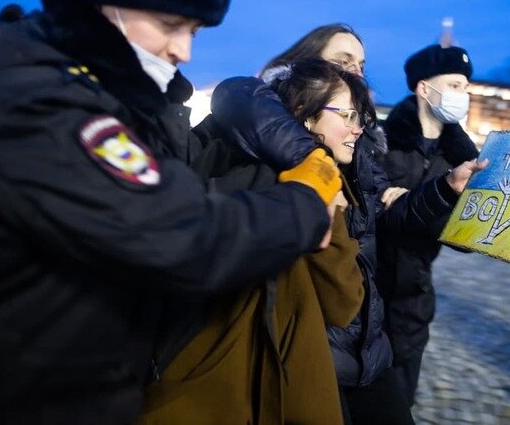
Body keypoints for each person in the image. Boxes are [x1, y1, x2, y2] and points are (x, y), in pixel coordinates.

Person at [0, 0, 341, 424]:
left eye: (194, 31)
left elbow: (172, 188)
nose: (184, 51)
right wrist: (305, 204)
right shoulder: (37, 106)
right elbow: (179, 232)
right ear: (101, 5)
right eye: (170, 24)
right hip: (3, 395)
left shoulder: (98, 96)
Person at [211, 33, 488, 424]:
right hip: (312, 345)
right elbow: (236, 95)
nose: (355, 70)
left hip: (369, 340)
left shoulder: (360, 154)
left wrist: (445, 189)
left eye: (360, 64)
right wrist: (315, 167)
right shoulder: (266, 142)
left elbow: (383, 216)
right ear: (309, 66)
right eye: (343, 60)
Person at [141, 58, 366, 424]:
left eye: (360, 119)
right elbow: (342, 303)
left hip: (251, 391)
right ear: (305, 116)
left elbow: (341, 305)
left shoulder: (317, 185)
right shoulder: (283, 184)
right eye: (348, 116)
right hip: (224, 390)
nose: (357, 129)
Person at [376, 43, 479, 405]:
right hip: (364, 291)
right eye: (453, 85)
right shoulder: (380, 141)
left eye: (465, 87)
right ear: (423, 88)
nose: (462, 94)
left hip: (413, 299)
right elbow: (374, 211)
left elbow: (468, 238)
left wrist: (415, 202)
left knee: (399, 401)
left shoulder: (466, 160)